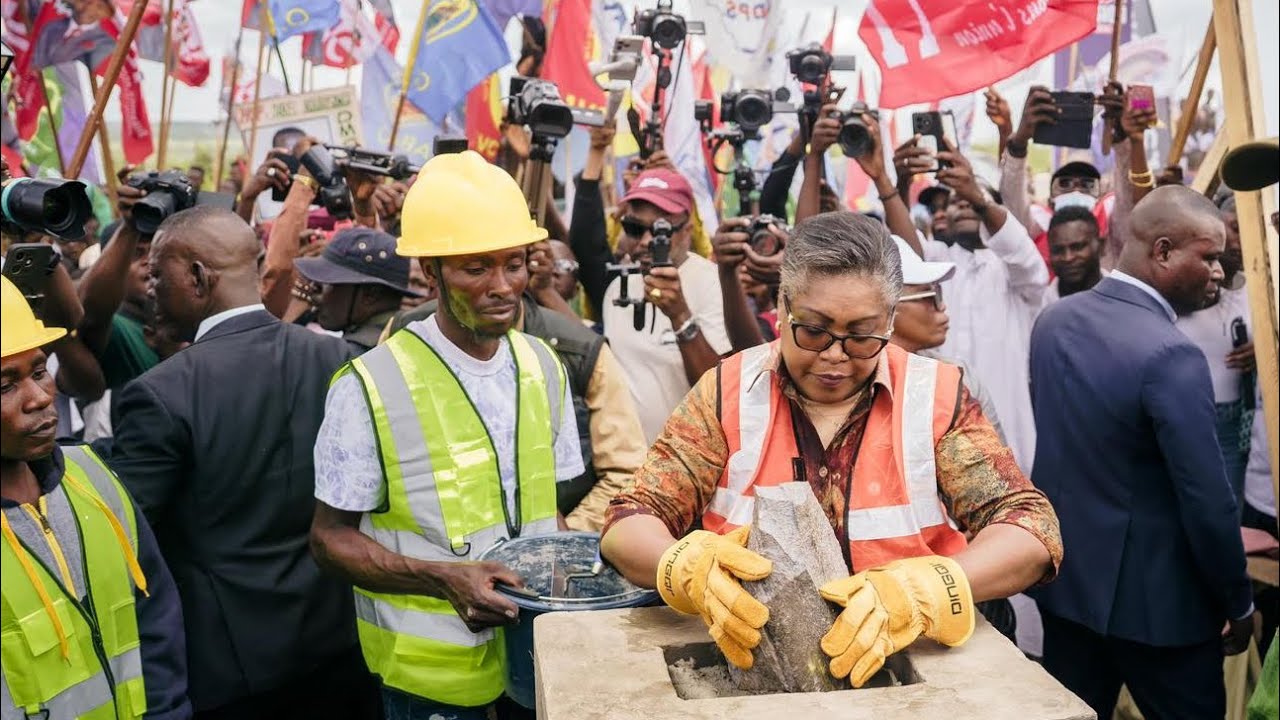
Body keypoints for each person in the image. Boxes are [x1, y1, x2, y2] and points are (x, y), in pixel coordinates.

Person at [601, 211, 1061, 687]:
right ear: (782, 308)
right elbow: (627, 523)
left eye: (862, 335)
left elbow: (1030, 529)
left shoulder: (934, 396)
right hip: (758, 674)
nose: (835, 356)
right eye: (814, 331)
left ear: (890, 319)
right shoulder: (727, 393)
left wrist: (930, 590)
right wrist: (681, 566)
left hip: (910, 674)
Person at [308, 151, 584, 718]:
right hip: (428, 684)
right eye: (476, 268)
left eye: (514, 263)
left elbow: (543, 514)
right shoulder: (369, 385)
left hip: (537, 662)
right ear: (430, 272)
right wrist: (444, 580)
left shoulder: (542, 366)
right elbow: (328, 539)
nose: (503, 286)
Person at [108, 207, 376, 719]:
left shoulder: (161, 394)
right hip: (338, 641)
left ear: (197, 277)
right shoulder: (336, 358)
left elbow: (129, 538)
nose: (148, 291)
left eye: (157, 275)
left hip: (231, 668)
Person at [1028, 185, 1255, 719]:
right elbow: (1208, 502)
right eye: (1210, 257)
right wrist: (1238, 601)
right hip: (1163, 611)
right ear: (1163, 251)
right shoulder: (1172, 354)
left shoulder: (1054, 323)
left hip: (1070, 592)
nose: (1220, 272)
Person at [1, 276, 191, 719]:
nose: (39, 399)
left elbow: (156, 615)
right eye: (5, 385)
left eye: (39, 371)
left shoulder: (93, 477)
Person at [908, 144, 1046, 473]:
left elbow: (1027, 260)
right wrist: (891, 185)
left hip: (1011, 441)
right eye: (957, 201)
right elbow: (907, 257)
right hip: (941, 433)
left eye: (975, 199)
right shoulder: (938, 263)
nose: (966, 204)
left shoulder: (1013, 271)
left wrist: (980, 198)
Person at [597, 168, 732, 442]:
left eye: (660, 231)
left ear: (687, 231)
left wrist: (680, 316)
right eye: (635, 229)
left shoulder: (715, 285)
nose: (646, 242)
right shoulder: (616, 289)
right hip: (627, 467)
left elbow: (720, 391)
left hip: (689, 464)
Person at [1175, 194, 1255, 505]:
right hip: (1187, 417)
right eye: (1234, 226)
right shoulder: (1182, 284)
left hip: (1235, 425)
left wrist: (1263, 352)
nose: (1240, 237)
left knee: (1228, 509)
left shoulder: (1257, 287)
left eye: (1250, 227)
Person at [293, 227, 425, 353]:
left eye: (329, 283)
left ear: (370, 295)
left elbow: (277, 343)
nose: (315, 294)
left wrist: (295, 306)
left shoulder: (357, 354)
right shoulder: (405, 340)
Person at [1040, 206, 1106, 310]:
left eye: (1077, 247)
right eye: (1058, 250)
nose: (1068, 258)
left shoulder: (1125, 298)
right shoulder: (1037, 309)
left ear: (1101, 246)